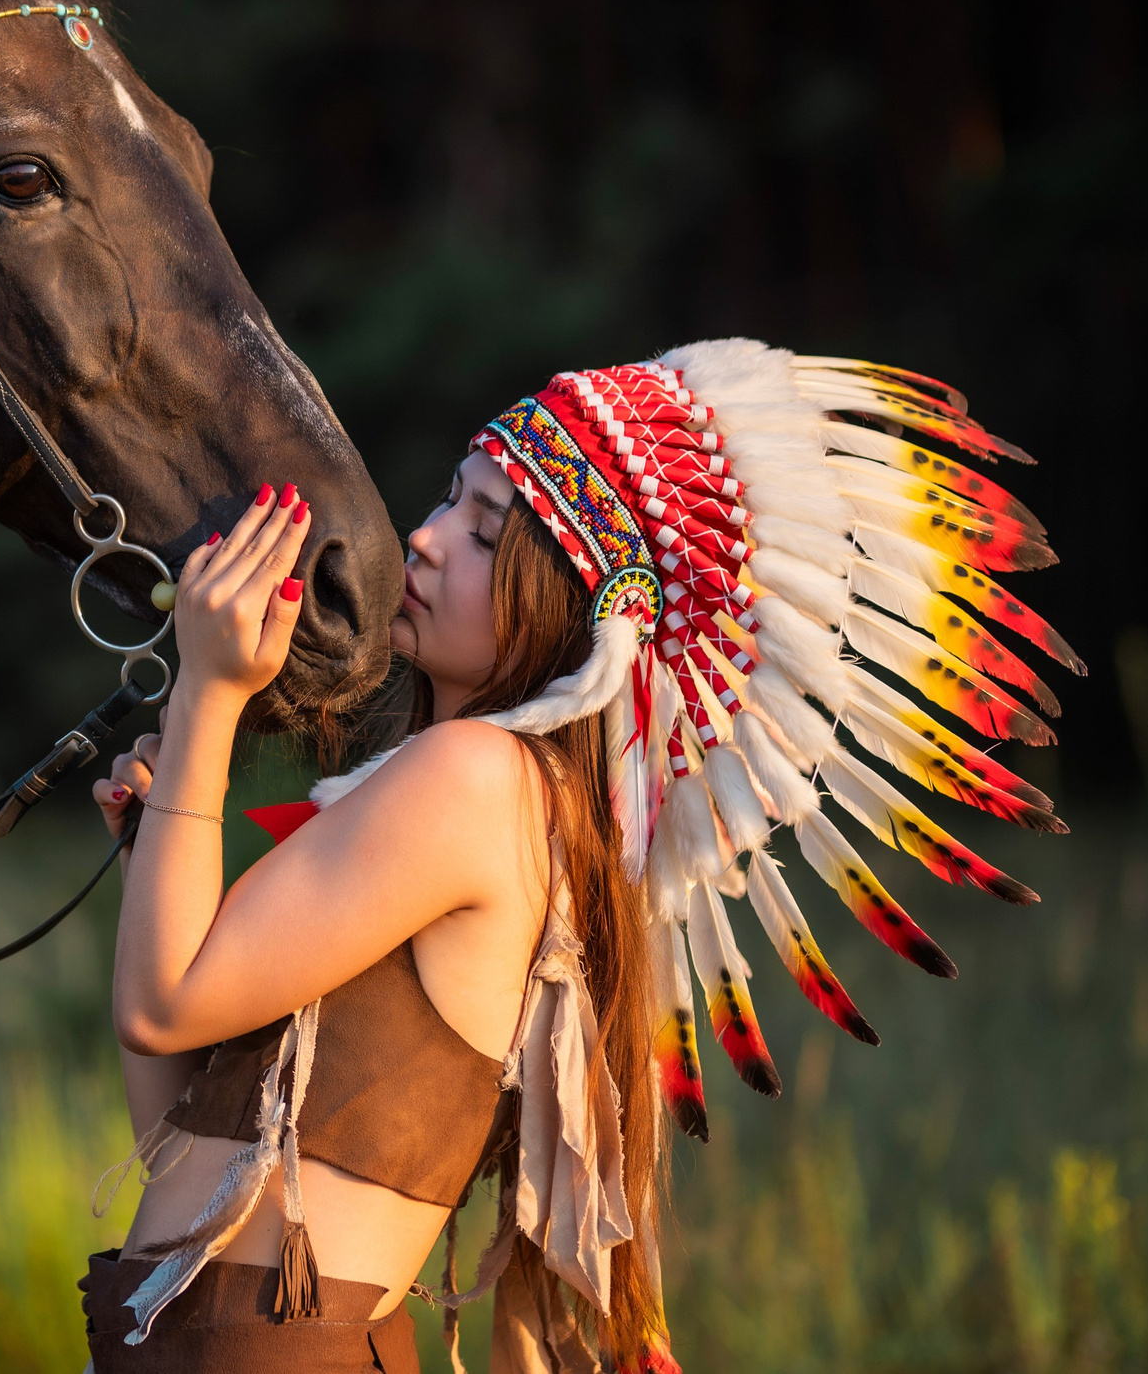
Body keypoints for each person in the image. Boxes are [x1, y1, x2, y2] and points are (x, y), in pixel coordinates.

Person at [79, 339, 1077, 1373]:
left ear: (584, 601)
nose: (419, 540)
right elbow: (177, 1146)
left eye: (481, 530)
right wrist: (155, 852)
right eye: (444, 503)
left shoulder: (476, 778)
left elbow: (161, 1002)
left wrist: (206, 695)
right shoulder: (468, 789)